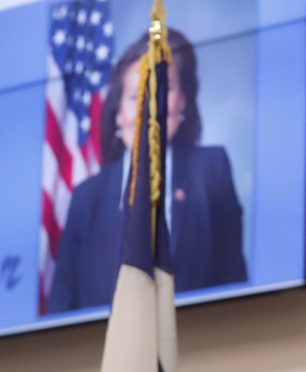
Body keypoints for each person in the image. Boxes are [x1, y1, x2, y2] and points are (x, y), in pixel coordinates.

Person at [46, 27, 248, 313]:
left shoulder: (212, 170)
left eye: (163, 89)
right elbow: (61, 309)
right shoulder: (86, 198)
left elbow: (235, 288)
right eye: (134, 96)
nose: (148, 107)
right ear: (118, 115)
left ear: (182, 103)